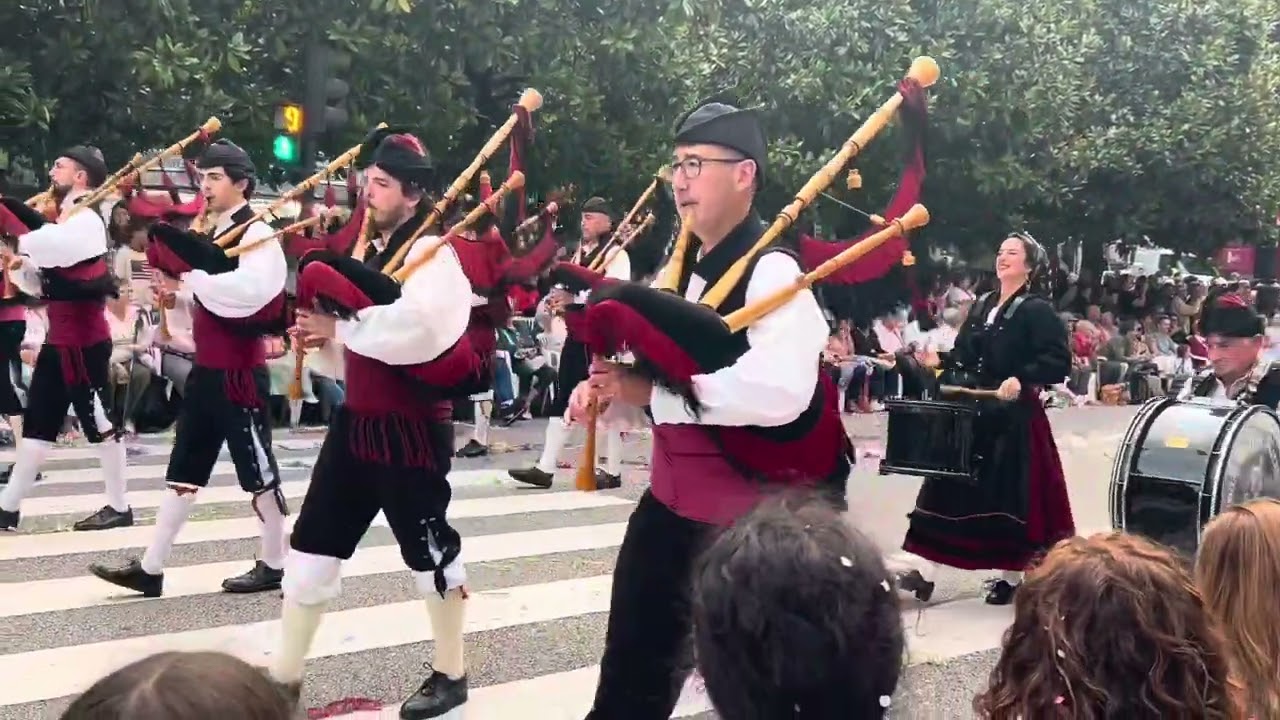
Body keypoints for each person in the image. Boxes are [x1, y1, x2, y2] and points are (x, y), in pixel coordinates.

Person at [570, 99, 853, 719]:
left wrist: (657, 393)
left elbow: (780, 392)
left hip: (750, 533)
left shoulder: (773, 269)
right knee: (629, 690)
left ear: (745, 174)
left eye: (696, 164)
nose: (680, 180)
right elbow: (664, 371)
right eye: (676, 165)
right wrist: (613, 386)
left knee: (765, 700)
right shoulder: (685, 268)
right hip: (669, 515)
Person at [269, 130, 474, 720]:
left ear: (413, 194)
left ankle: (451, 671)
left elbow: (422, 332)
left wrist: (342, 330)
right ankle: (283, 679)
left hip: (411, 426)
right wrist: (324, 339)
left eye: (381, 185)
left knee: (429, 551)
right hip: (356, 420)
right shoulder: (370, 248)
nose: (369, 194)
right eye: (369, 183)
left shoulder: (434, 251)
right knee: (311, 546)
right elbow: (361, 345)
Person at [88, 139, 289, 596]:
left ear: (242, 184)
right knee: (183, 471)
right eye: (205, 178)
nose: (208, 187)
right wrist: (177, 293)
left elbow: (252, 294)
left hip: (239, 374)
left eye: (216, 178)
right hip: (206, 372)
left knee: (259, 474)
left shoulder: (257, 231)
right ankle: (151, 567)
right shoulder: (214, 231)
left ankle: (276, 562)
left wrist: (191, 279)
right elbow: (211, 293)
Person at [897, 232, 1074, 606]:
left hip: (1013, 418)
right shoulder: (983, 305)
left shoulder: (1037, 310)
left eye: (1012, 253)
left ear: (1029, 264)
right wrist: (940, 360)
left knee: (1011, 499)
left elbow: (1058, 361)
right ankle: (924, 571)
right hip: (974, 411)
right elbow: (964, 354)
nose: (1003, 258)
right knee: (946, 487)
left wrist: (1022, 378)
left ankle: (1013, 576)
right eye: (1000, 252)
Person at [0, 145, 132, 532]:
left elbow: (55, 248)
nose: (52, 171)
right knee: (40, 423)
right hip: (61, 341)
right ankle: (8, 507)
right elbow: (43, 284)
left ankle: (119, 506)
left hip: (83, 342)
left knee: (99, 422)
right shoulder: (66, 217)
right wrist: (22, 265)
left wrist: (19, 232)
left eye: (60, 165)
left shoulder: (86, 218)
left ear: (81, 176)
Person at [507, 197, 630, 489]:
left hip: (602, 339)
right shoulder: (579, 253)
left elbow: (615, 294)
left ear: (606, 222)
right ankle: (545, 467)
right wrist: (557, 299)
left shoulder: (616, 254)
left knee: (606, 405)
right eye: (583, 217)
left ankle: (611, 471)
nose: (584, 223)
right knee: (563, 399)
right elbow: (568, 286)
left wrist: (575, 299)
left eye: (591, 217)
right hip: (577, 337)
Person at [447, 170, 559, 459]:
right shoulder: (455, 238)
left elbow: (509, 271)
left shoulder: (492, 241)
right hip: (454, 321)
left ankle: (480, 436)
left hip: (478, 321)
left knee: (482, 378)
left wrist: (545, 223)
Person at [1176, 294, 1280, 408]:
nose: (1214, 356)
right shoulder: (1198, 383)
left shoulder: (1275, 381)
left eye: (1224, 346)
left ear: (1257, 342)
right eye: (1209, 346)